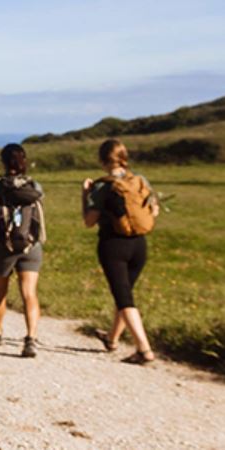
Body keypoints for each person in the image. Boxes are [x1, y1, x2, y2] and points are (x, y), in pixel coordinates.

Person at [83, 139, 159, 365]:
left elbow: (89, 221)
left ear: (102, 160)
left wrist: (84, 195)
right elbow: (153, 211)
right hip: (139, 245)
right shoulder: (140, 181)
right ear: (124, 157)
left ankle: (144, 350)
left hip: (113, 245)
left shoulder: (101, 186)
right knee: (124, 293)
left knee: (124, 298)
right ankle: (112, 339)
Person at [0, 144, 46, 358]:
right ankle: (31, 339)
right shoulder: (35, 186)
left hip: (2, 245)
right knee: (29, 293)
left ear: (3, 162)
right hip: (30, 245)